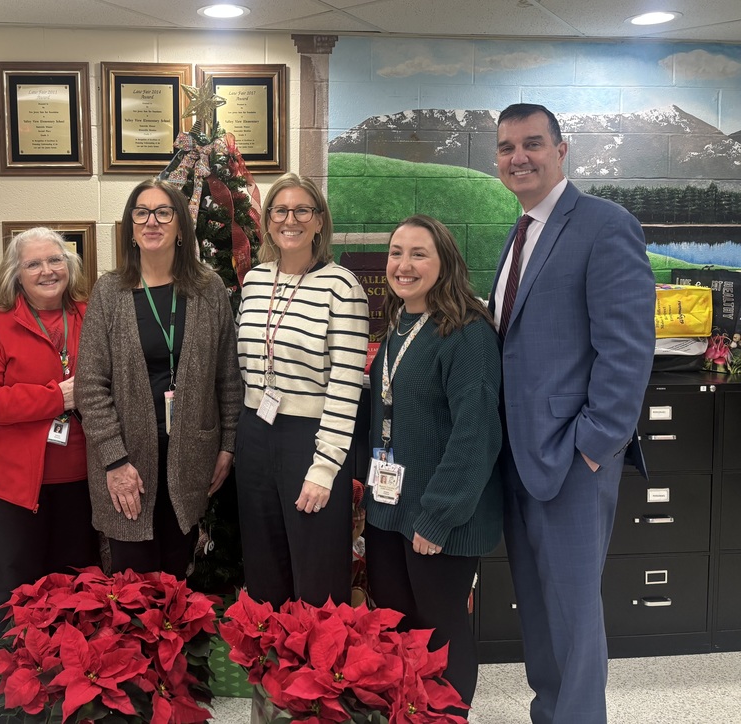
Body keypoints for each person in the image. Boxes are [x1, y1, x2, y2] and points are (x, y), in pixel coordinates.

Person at [490, 104, 655, 724]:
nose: (519, 157)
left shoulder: (604, 226)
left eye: (532, 143)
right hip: (520, 456)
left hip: (571, 461)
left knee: (575, 620)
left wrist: (593, 445)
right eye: (507, 147)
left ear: (563, 151)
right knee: (539, 612)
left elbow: (628, 350)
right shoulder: (522, 230)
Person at [365, 214, 502, 712]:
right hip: (392, 511)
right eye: (396, 252)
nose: (403, 264)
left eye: (418, 253)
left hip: (438, 518)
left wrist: (439, 514)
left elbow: (477, 432)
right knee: (399, 626)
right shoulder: (400, 322)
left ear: (445, 262)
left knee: (441, 630)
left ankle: (447, 717)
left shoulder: (467, 333)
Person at [75, 179, 241, 578]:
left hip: (190, 460)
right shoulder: (109, 291)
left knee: (175, 583)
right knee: (131, 588)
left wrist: (228, 446)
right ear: (131, 227)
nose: (152, 221)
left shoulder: (209, 290)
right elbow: (90, 386)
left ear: (181, 227)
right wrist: (115, 461)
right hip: (127, 462)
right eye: (141, 212)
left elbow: (228, 377)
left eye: (163, 212)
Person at [0, 228, 99, 656]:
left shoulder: (90, 315)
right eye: (34, 263)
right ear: (15, 274)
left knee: (74, 586)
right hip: (8, 486)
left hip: (79, 481)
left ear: (69, 266)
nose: (47, 270)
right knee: (13, 590)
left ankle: (69, 684)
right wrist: (55, 397)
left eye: (55, 260)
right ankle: (11, 694)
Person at [235, 173, 369, 608]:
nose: (289, 220)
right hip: (255, 432)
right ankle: (269, 670)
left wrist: (325, 466)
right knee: (263, 567)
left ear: (318, 222)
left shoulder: (342, 286)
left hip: (310, 439)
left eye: (301, 211)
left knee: (316, 577)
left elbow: (347, 385)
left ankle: (318, 673)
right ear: (268, 220)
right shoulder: (254, 281)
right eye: (280, 210)